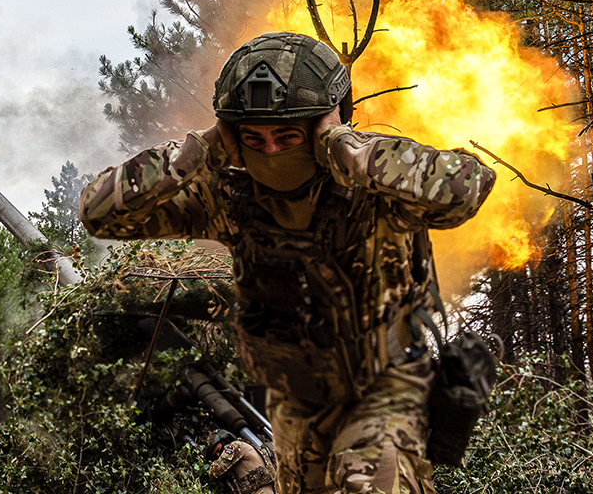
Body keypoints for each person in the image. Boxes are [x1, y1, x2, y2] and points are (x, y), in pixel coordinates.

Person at [80, 32, 496, 493]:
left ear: (325, 123)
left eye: (288, 135)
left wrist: (347, 147)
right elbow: (100, 212)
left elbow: (465, 187)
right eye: (253, 138)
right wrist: (201, 150)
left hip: (385, 388)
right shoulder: (230, 195)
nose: (272, 152)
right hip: (296, 399)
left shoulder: (375, 185)